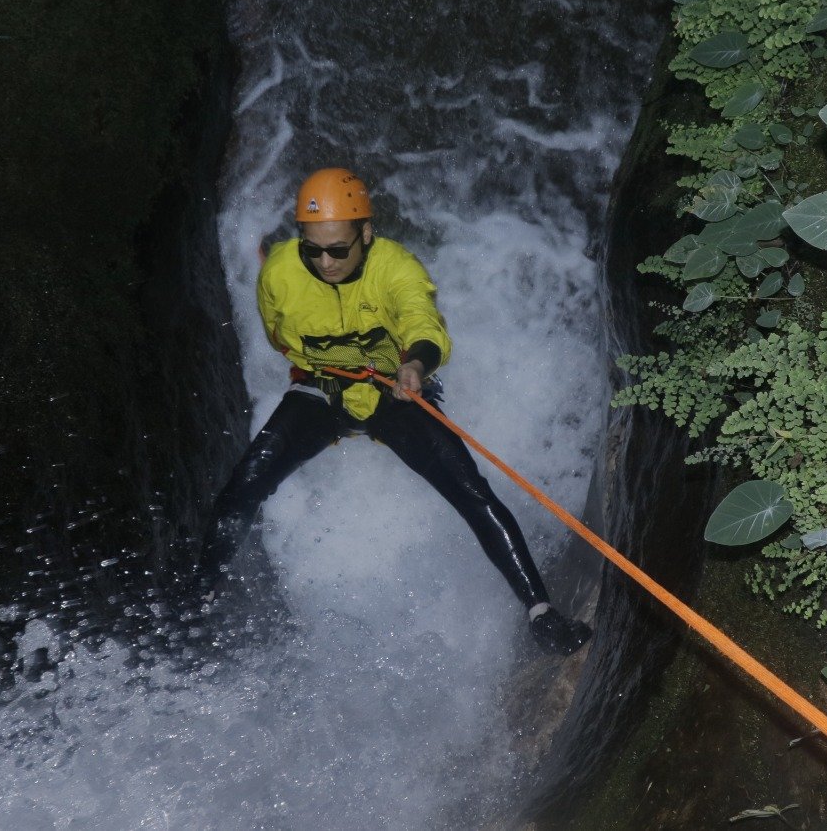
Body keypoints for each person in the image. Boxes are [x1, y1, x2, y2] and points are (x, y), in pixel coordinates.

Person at [202, 167, 592, 656]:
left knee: (473, 493)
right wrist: (330, 376)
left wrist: (413, 364)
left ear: (366, 234)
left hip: (396, 394)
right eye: (312, 248)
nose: (325, 261)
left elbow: (424, 325)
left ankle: (541, 613)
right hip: (320, 396)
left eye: (338, 249)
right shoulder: (279, 272)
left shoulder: (397, 268)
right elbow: (279, 338)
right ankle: (200, 600)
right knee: (241, 489)